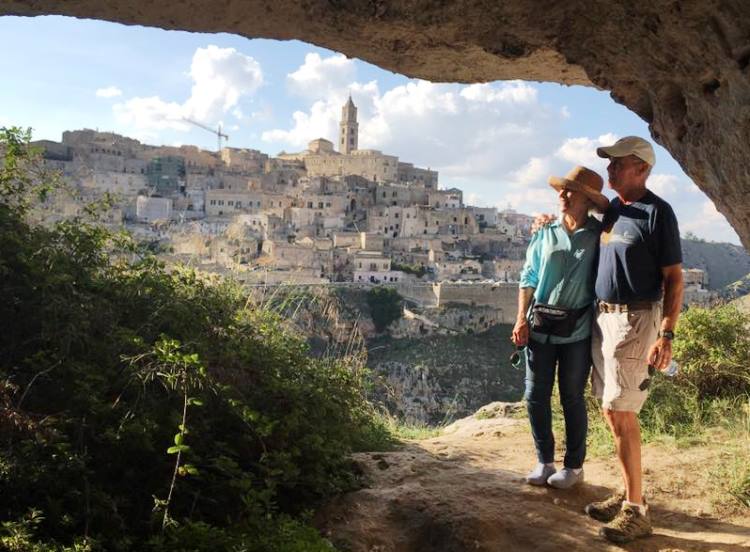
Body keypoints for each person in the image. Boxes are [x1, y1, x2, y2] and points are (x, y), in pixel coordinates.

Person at [584, 136, 684, 544]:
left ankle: (637, 511)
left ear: (642, 169)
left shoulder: (658, 213)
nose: (609, 171)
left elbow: (674, 278)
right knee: (611, 411)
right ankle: (629, 492)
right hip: (604, 318)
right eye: (608, 164)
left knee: (622, 413)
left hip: (637, 319)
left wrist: (667, 335)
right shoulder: (613, 211)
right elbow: (572, 198)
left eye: (617, 164)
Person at [512, 165, 609, 490]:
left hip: (577, 330)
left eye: (570, 192)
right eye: (561, 191)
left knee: (571, 397)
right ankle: (544, 461)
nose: (562, 196)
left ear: (587, 200)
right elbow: (529, 277)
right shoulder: (545, 232)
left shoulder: (599, 235)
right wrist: (520, 318)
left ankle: (574, 466)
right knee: (535, 395)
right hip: (540, 326)